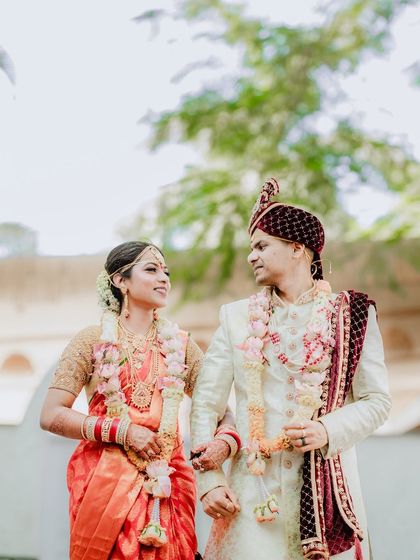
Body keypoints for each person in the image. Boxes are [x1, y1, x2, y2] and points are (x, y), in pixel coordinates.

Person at [190, 179, 391, 560]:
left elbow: (377, 401)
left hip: (326, 493)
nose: (252, 256)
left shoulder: (351, 315)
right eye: (252, 248)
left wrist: (326, 429)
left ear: (298, 248)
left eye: (262, 246)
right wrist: (210, 482)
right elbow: (206, 406)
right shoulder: (235, 318)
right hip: (251, 497)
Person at [40, 241, 237, 560]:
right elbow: (50, 415)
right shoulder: (91, 340)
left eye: (166, 271)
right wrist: (122, 431)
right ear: (120, 280)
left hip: (169, 484)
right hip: (105, 483)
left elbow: (222, 412)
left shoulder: (182, 347)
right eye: (151, 269)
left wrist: (224, 443)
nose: (164, 278)